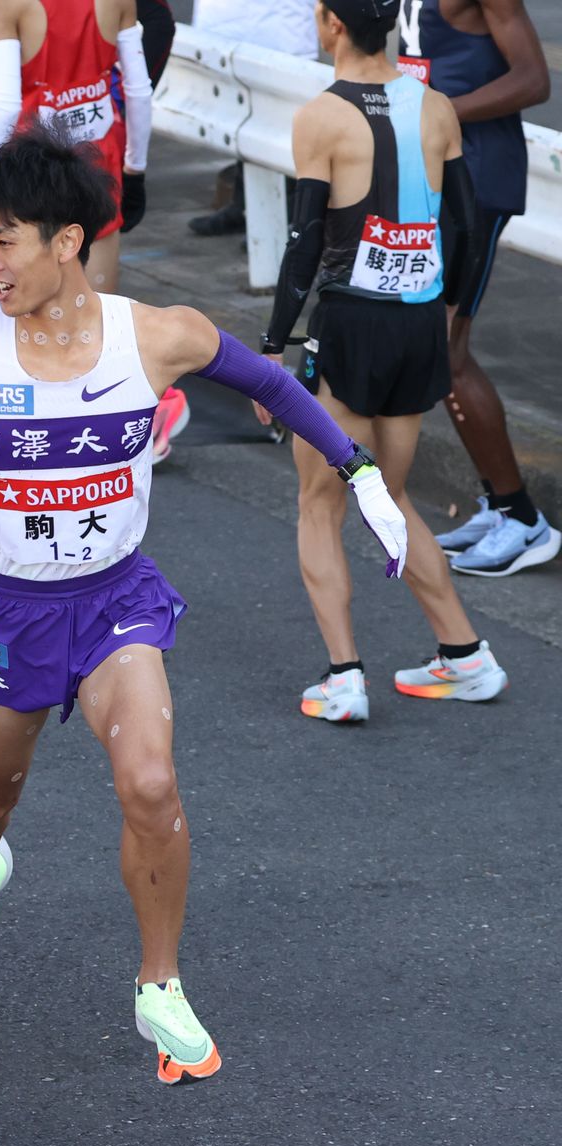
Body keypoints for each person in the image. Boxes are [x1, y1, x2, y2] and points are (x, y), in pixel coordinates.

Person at [0, 121, 408, 1085]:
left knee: (151, 782)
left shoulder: (157, 336)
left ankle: (160, 983)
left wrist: (358, 471)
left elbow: (270, 380)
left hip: (116, 600)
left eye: (8, 240)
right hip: (10, 609)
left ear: (66, 242)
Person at [256, 0, 507, 721]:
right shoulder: (435, 108)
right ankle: (465, 656)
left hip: (351, 328)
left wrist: (273, 347)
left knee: (320, 503)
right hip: (418, 325)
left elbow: (305, 244)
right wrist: (451, 310)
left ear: (334, 23)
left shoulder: (322, 117)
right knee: (389, 496)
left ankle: (343, 678)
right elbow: (462, 219)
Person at [0, 0, 190, 463]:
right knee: (100, 323)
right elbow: (138, 92)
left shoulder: (5, 4)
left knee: (21, 333)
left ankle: (37, 461)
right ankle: (113, 455)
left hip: (29, 186)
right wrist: (136, 172)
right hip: (100, 172)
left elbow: (5, 103)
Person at [398, 0, 558, 577]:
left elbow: (534, 79)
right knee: (436, 349)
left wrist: (440, 112)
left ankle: (523, 520)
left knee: (447, 350)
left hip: (476, 178)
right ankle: (499, 505)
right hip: (434, 170)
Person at [187, 0, 320, 237]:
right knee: (247, 122)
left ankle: (285, 218)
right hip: (235, 26)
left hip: (282, 30)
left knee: (287, 131)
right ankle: (243, 206)